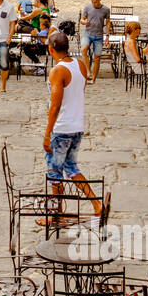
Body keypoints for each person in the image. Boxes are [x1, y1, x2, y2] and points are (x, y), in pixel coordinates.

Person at [41, 30, 101, 219]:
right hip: (77, 125)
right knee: (72, 168)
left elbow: (56, 104)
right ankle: (96, 203)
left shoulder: (57, 71)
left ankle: (56, 214)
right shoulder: (80, 65)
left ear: (51, 50)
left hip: (62, 128)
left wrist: (47, 133)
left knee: (54, 173)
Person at [80, 0, 113, 79]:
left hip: (98, 36)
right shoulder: (87, 8)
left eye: (95, 2)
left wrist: (107, 36)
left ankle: (94, 77)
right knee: (83, 49)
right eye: (92, 2)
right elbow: (82, 20)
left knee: (97, 57)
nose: (94, 4)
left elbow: (108, 23)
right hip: (88, 33)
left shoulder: (106, 9)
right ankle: (88, 72)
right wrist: (84, 22)